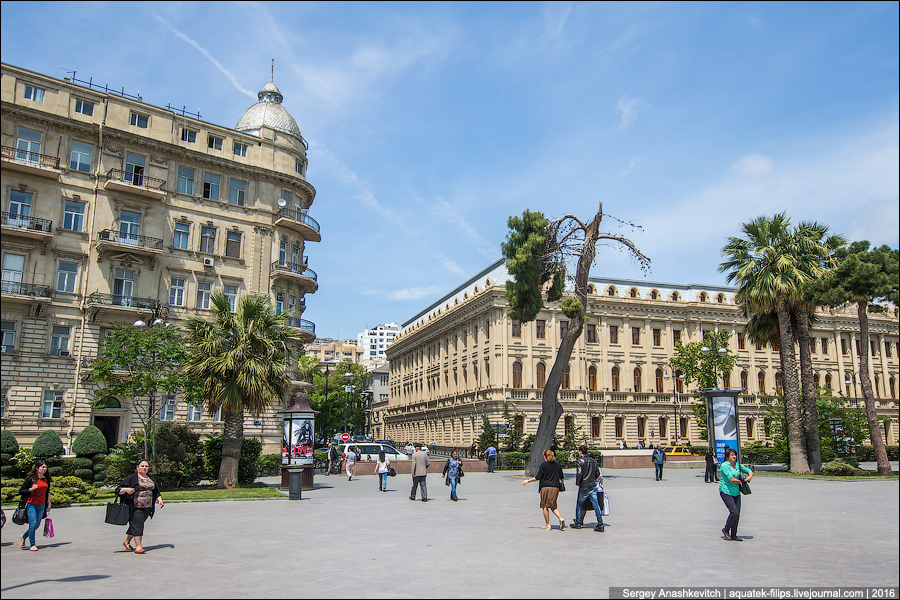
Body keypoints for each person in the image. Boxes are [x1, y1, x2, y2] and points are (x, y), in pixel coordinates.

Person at [116, 459, 164, 554]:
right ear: (137, 467)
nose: (144, 468)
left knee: (136, 524)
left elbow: (156, 491)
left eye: (146, 466)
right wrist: (127, 489)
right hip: (135, 506)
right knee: (138, 525)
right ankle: (138, 547)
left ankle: (126, 542)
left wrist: (159, 499)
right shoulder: (132, 478)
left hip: (147, 507)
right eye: (142, 466)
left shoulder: (151, 478)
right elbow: (118, 490)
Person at [521, 449, 566, 531]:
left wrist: (528, 480)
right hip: (555, 488)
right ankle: (560, 518)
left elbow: (538, 477)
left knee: (545, 506)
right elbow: (562, 477)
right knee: (553, 505)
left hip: (545, 487)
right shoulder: (557, 465)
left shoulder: (544, 465)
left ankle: (548, 524)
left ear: (545, 456)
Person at [719, 447, 753, 541]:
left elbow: (748, 470)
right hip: (726, 491)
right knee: (734, 512)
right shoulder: (725, 466)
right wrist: (739, 481)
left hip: (736, 492)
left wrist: (749, 476)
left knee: (737, 514)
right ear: (727, 457)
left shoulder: (737, 465)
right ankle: (726, 529)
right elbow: (731, 479)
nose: (734, 456)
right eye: (732, 455)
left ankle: (734, 534)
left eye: (735, 455)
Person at [18, 460, 51, 551]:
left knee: (37, 525)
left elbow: (47, 492)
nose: (44, 469)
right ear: (37, 468)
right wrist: (31, 489)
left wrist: (49, 503)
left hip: (41, 505)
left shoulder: (46, 479)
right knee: (32, 524)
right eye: (42, 467)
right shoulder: (31, 479)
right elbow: (21, 491)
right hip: (31, 504)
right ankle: (32, 544)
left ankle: (23, 536)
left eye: (45, 467)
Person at [571, 445, 604, 532]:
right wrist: (593, 479)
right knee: (596, 504)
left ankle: (578, 522)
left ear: (580, 452)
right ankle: (600, 524)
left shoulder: (580, 461)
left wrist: (578, 483)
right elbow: (597, 473)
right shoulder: (594, 461)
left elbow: (579, 473)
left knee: (579, 504)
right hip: (592, 485)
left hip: (584, 485)